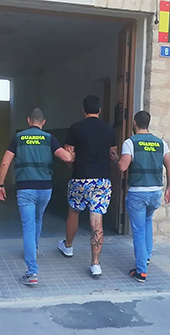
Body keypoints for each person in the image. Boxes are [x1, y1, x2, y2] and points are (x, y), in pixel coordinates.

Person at [0, 108, 74, 286]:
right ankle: (34, 247)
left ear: (28, 120)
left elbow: (5, 162)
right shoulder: (49, 138)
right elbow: (67, 158)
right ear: (43, 122)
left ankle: (32, 271)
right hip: (45, 189)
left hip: (25, 189)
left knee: (28, 227)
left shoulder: (19, 138)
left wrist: (0, 184)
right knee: (38, 219)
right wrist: (71, 153)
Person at [57, 95, 118, 277]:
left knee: (73, 212)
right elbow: (112, 155)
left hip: (80, 177)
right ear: (100, 110)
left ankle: (68, 246)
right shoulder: (109, 130)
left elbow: (68, 156)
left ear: (83, 110)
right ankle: (95, 263)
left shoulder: (76, 128)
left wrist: (75, 168)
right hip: (101, 180)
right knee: (97, 220)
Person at [116, 111, 170, 282]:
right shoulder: (161, 143)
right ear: (148, 123)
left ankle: (141, 271)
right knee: (147, 222)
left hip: (138, 193)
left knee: (139, 231)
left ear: (134, 123)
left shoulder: (130, 142)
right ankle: (147, 256)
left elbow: (123, 166)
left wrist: (116, 159)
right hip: (155, 192)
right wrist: (169, 188)